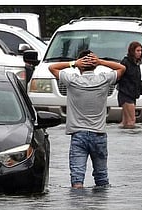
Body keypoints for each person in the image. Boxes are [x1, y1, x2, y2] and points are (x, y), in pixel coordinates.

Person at [48, 49, 126, 189]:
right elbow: (122, 68)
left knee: (77, 180)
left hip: (78, 135)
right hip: (99, 135)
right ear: (95, 66)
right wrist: (100, 61)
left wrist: (73, 63)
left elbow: (51, 67)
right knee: (102, 178)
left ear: (79, 65)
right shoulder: (104, 79)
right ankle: (101, 208)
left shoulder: (72, 80)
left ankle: (77, 208)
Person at [117, 41, 142, 128]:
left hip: (131, 95)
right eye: (137, 51)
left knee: (126, 121)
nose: (140, 53)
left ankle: (123, 137)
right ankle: (129, 139)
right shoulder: (125, 63)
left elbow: (137, 82)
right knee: (131, 121)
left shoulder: (136, 64)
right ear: (132, 51)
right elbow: (119, 77)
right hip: (125, 95)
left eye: (141, 51)